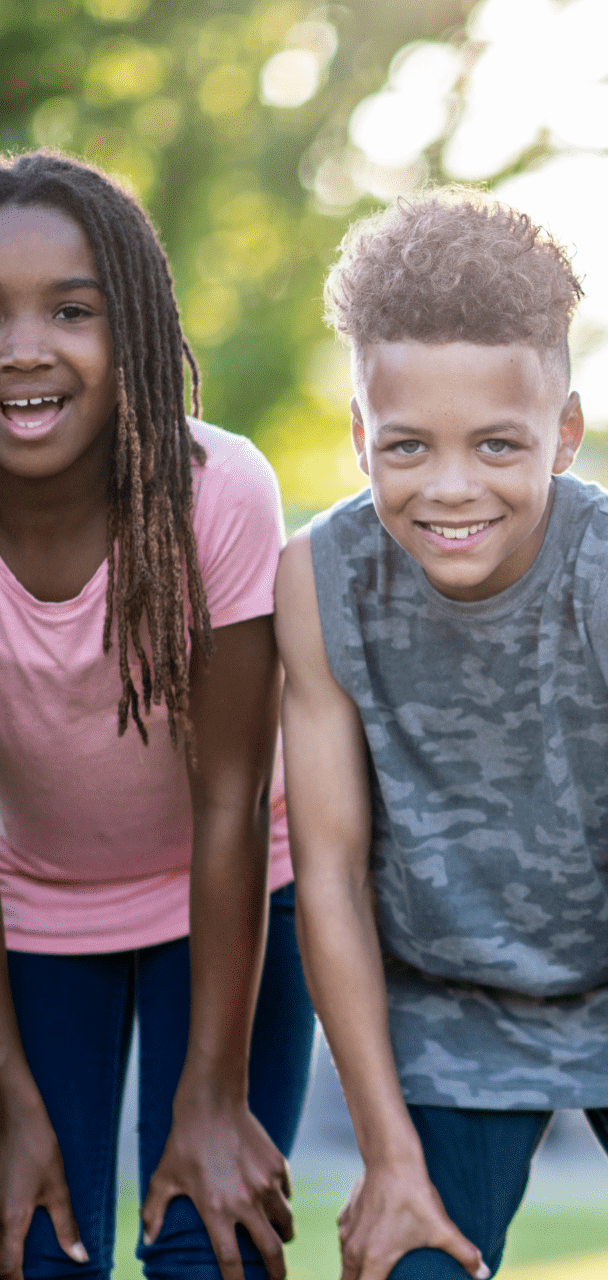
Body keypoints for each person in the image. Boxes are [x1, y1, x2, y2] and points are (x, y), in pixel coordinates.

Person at [276, 190, 608, 1280]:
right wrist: (386, 1156)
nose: (451, 486)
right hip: (442, 1011)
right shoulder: (317, 580)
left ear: (565, 434)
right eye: (408, 444)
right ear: (362, 433)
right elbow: (327, 874)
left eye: (498, 443)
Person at [0, 151, 311, 1280]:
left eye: (70, 310)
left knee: (211, 1244)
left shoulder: (217, 490)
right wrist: (10, 1104)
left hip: (227, 903)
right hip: (31, 916)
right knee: (37, 1246)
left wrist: (214, 1097)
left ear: (130, 326)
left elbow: (232, 795)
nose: (24, 348)